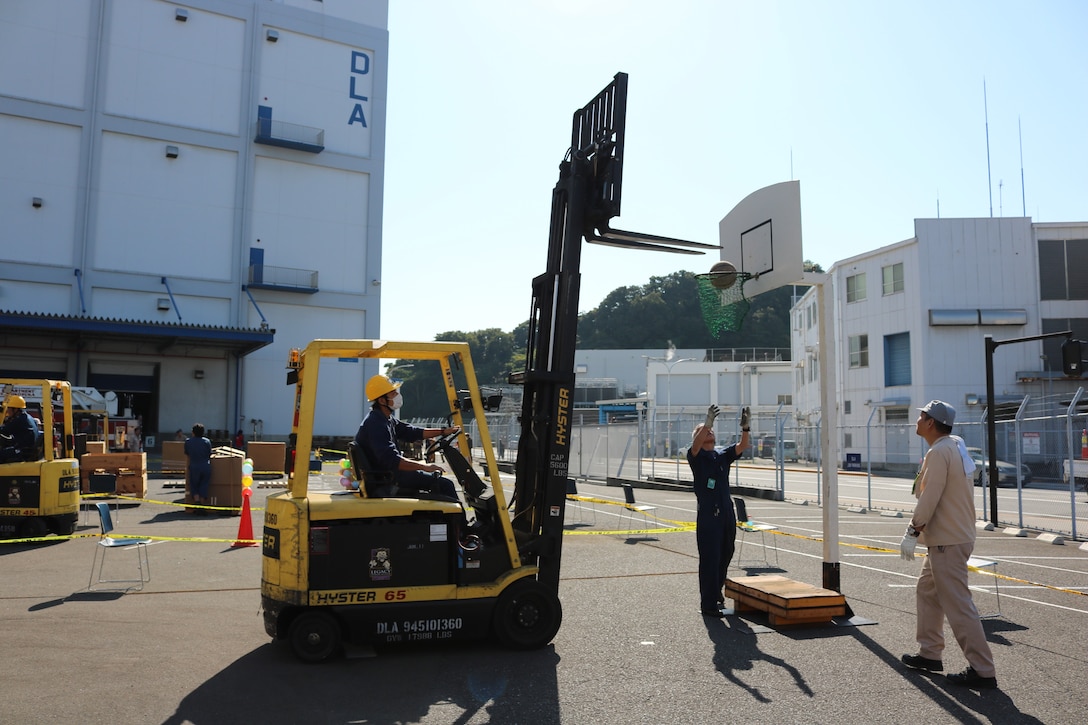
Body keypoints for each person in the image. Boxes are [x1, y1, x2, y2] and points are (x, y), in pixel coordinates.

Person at [900, 400, 998, 689]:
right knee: (927, 592)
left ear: (931, 422)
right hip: (952, 536)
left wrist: (912, 531)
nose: (917, 420)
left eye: (921, 416)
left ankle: (983, 670)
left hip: (947, 540)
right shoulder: (954, 444)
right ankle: (930, 653)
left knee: (958, 605)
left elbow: (930, 496)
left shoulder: (941, 451)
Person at [687, 404, 750, 617]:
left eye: (711, 431)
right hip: (708, 515)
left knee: (726, 553)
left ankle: (716, 592)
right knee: (710, 558)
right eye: (704, 432)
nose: (709, 432)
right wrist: (707, 423)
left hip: (726, 513)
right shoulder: (696, 457)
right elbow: (695, 446)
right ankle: (708, 604)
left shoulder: (722, 455)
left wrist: (746, 427)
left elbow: (742, 446)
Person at [354, 374, 461, 501]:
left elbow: (412, 432)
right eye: (393, 393)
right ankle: (458, 520)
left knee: (435, 479)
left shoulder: (385, 419)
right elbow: (392, 460)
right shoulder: (376, 424)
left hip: (389, 475)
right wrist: (424, 467)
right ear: (382, 400)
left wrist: (443, 432)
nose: (397, 396)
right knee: (445, 485)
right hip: (389, 479)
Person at [0, 395, 40, 464]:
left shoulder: (19, 420)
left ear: (15, 409)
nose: (7, 411)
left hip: (22, 451)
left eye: (9, 408)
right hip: (28, 449)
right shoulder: (28, 417)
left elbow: (4, 430)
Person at [184, 423, 213, 514]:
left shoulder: (188, 441)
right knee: (204, 484)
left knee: (194, 484)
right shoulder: (207, 441)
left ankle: (197, 503)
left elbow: (187, 454)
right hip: (205, 466)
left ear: (193, 432)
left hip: (194, 466)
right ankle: (202, 504)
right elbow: (209, 454)